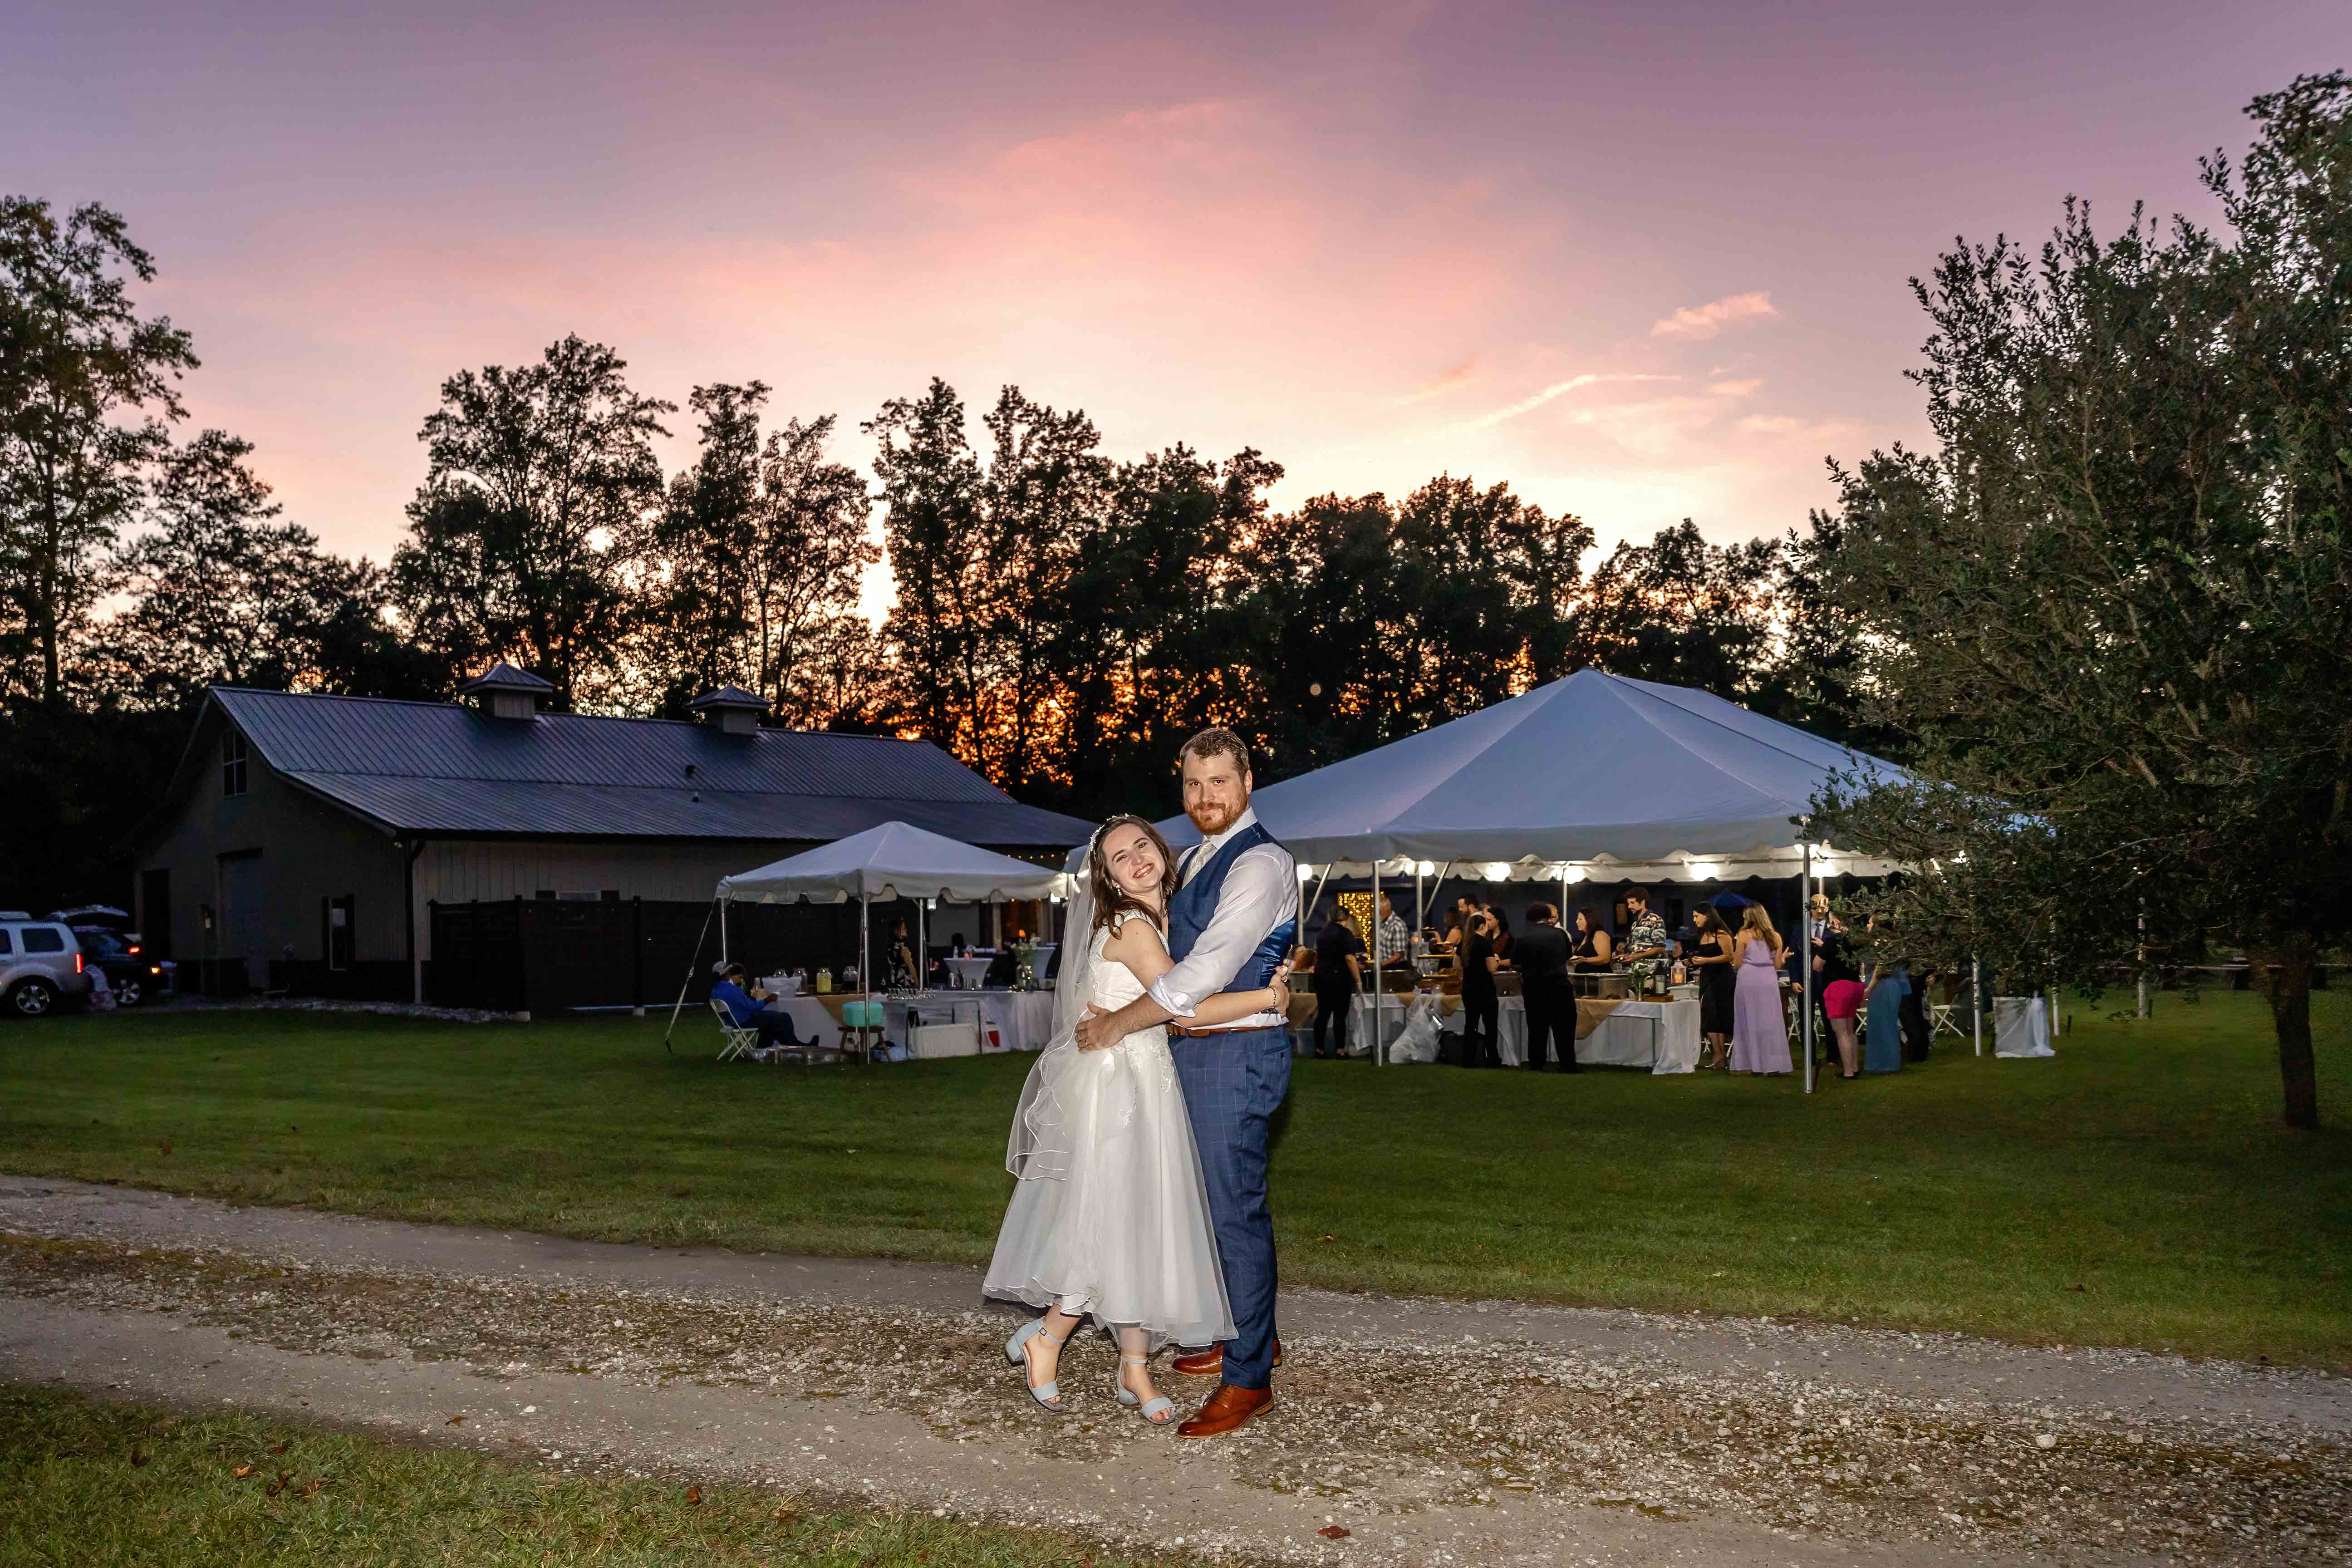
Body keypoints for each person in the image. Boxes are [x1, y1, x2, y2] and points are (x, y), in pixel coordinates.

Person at [987, 813, 1292, 1427]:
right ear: (1107, 876)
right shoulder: (1132, 926)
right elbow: (1187, 1010)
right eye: (1118, 856)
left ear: (1160, 847)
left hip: (1145, 1077)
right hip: (1120, 1085)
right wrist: (1269, 997)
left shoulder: (1160, 919)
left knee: (1139, 1218)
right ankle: (1048, 1336)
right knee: (1112, 1216)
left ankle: (1133, 1363)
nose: (1134, 858)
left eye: (1141, 844)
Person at [1069, 729, 1298, 1436]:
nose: (1205, 797)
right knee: (1203, 1204)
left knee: (1232, 1214)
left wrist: (1117, 1024)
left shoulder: (1259, 863)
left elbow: (1199, 975)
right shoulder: (1196, 855)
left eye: (1219, 782)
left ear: (1247, 781)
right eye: (1193, 785)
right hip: (1192, 1053)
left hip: (1235, 1055)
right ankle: (1250, 1337)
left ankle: (1249, 1379)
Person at [1727, 905, 1792, 1074]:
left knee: (1748, 1018)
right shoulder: (1775, 937)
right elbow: (1778, 965)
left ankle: (1752, 1063)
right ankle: (1772, 1064)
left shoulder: (1743, 935)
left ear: (1749, 917)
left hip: (1748, 978)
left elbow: (1737, 963)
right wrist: (1781, 957)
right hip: (1768, 978)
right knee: (1771, 1020)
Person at [1515, 902, 1574, 1072]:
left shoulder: (1524, 938)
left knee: (1536, 1028)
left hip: (1534, 987)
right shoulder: (1560, 935)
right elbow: (1568, 957)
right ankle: (1568, 1064)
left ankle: (1537, 1063)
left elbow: (1516, 963)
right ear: (1548, 917)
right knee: (1564, 1028)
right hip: (1559, 985)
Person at [710, 963, 814, 1055]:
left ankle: (763, 1050)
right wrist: (768, 999)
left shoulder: (715, 990)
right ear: (726, 974)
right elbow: (752, 1007)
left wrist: (741, 983)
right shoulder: (730, 989)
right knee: (784, 1017)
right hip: (745, 1021)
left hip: (733, 1022)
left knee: (773, 1023)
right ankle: (796, 1047)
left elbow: (741, 1000)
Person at [1311, 909, 1365, 1059]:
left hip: (1321, 977)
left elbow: (1317, 956)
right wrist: (1358, 981)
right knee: (1340, 1015)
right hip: (1340, 978)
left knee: (1323, 1013)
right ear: (1346, 919)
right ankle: (1340, 1050)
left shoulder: (1322, 934)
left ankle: (1319, 1049)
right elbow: (1350, 958)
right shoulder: (1346, 933)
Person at [1690, 905, 1736, 1069]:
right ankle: (1718, 1054)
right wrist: (1693, 962)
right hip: (1707, 977)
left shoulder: (1721, 934)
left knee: (1720, 1016)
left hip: (1723, 978)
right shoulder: (1703, 935)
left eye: (1697, 916)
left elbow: (1730, 957)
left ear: (1707, 916)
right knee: (1708, 1015)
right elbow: (1704, 957)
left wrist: (1705, 961)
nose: (1695, 920)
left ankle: (1720, 1056)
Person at [1862, 918, 1909, 1075]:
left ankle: (1885, 1064)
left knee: (1883, 1025)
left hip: (1883, 987)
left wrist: (1869, 988)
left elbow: (1880, 968)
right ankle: (1885, 1062)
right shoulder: (1893, 942)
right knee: (1884, 1024)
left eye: (1870, 923)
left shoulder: (1882, 943)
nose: (1868, 926)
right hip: (1888, 986)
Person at [1458, 911, 1502, 1067]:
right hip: (1485, 990)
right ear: (1482, 927)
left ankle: (1468, 1059)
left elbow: (1456, 965)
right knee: (1490, 1025)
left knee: (1471, 1025)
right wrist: (1497, 960)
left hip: (1468, 989)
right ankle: (1492, 1059)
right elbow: (1492, 969)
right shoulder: (1484, 944)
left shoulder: (1464, 942)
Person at [1620, 887, 1668, 993]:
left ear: (1643, 902)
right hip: (1636, 974)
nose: (1629, 907)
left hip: (1651, 974)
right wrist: (1625, 956)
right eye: (1628, 903)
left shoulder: (1655, 920)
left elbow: (1660, 948)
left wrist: (1638, 956)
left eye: (1632, 903)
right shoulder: (1635, 924)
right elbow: (1634, 949)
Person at [1570, 908, 1614, 975]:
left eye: (1580, 919)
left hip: (1597, 980)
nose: (1577, 922)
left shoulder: (1599, 934)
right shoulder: (1586, 936)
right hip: (1584, 980)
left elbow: (1605, 958)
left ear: (1590, 921)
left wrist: (1585, 960)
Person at [1374, 892, 1409, 972]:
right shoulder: (1381, 923)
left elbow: (1400, 954)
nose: (1378, 914)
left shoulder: (1397, 925)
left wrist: (1383, 964)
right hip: (1384, 967)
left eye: (1380, 911)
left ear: (1387, 909)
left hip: (1396, 969)